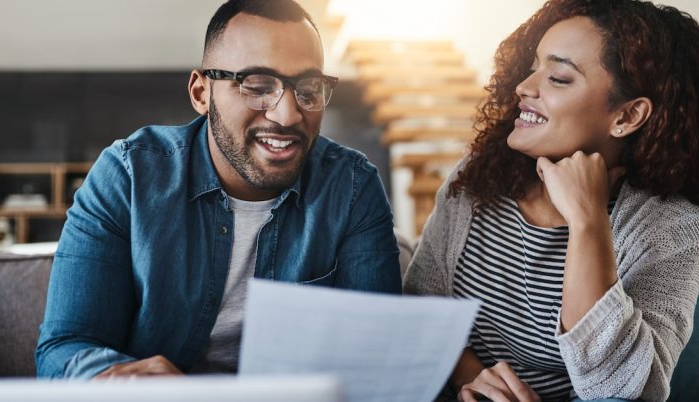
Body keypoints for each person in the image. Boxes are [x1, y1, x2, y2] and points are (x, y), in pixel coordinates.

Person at [36, 0, 401, 378]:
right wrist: (119, 378)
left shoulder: (353, 186)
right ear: (201, 93)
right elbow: (63, 350)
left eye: (308, 89)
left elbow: (376, 353)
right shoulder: (128, 177)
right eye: (257, 86)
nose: (288, 115)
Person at [404, 0, 699, 401]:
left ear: (627, 117)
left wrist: (587, 221)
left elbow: (624, 391)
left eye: (558, 77)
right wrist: (473, 379)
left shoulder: (668, 227)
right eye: (533, 68)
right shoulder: (477, 177)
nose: (525, 88)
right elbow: (423, 304)